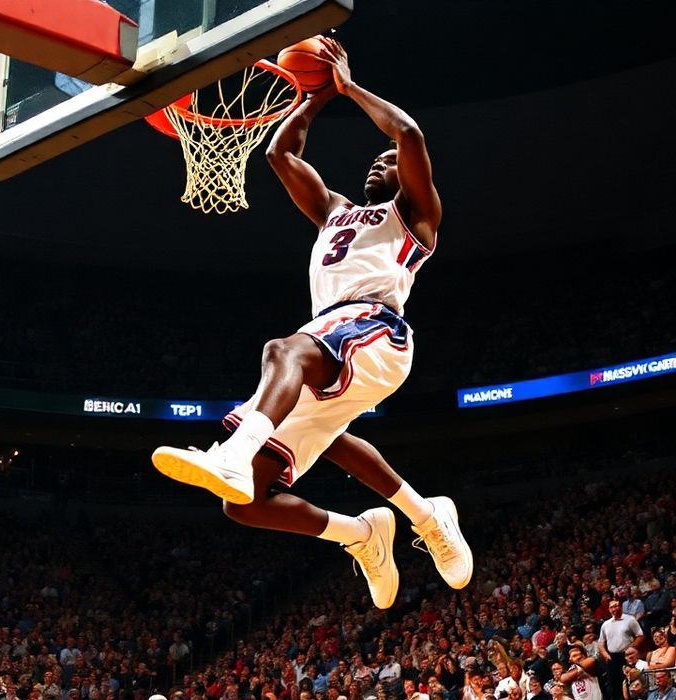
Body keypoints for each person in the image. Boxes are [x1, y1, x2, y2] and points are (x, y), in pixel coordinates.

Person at [149, 38, 470, 609]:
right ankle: (376, 531)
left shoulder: (416, 218)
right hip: (336, 338)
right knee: (244, 502)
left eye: (388, 162)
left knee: (284, 350)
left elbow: (410, 135)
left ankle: (231, 451)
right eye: (377, 158)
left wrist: (348, 88)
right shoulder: (335, 211)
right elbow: (280, 156)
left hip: (377, 331)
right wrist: (315, 96)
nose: (381, 160)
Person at [600, 602, 644, 700]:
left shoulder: (630, 620)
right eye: (611, 607)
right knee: (613, 684)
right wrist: (605, 654)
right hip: (612, 657)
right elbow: (601, 643)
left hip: (626, 656)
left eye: (616, 606)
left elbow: (640, 636)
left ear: (620, 607)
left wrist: (631, 647)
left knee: (628, 682)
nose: (614, 608)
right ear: (609, 609)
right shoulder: (605, 624)